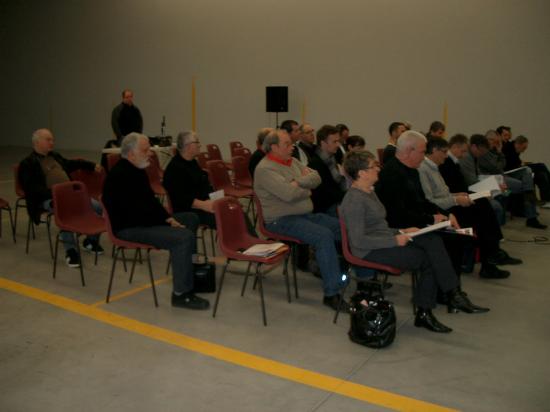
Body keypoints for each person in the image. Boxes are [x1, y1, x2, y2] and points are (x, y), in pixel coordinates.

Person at [341, 151, 488, 333]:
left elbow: (378, 227)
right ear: (361, 173)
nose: (378, 168)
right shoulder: (354, 200)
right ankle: (430, 309)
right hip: (369, 250)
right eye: (374, 166)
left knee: (431, 239)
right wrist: (394, 239)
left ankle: (451, 294)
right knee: (427, 259)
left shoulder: (369, 192)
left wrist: (402, 231)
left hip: (383, 240)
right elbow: (359, 240)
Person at [102, 133, 208, 309]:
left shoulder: (137, 170)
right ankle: (181, 294)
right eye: (146, 150)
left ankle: (190, 272)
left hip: (143, 220)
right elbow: (136, 212)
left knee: (191, 218)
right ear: (131, 154)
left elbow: (151, 203)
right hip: (129, 227)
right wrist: (167, 222)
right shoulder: (120, 176)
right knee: (183, 238)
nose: (150, 153)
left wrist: (167, 218)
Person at [253, 129, 347, 311]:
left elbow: (316, 178)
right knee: (324, 236)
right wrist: (304, 186)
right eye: (287, 144)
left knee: (343, 228)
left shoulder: (292, 161)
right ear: (273, 147)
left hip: (304, 215)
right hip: (280, 220)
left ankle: (338, 273)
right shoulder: (265, 169)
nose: (292, 147)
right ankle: (331, 293)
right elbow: (289, 194)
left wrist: (297, 183)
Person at [374, 131, 471, 287]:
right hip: (400, 226)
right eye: (422, 152)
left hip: (414, 219)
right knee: (450, 238)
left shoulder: (411, 169)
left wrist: (445, 214)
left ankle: (449, 290)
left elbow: (422, 201)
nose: (424, 156)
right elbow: (398, 214)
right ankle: (450, 291)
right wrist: (432, 219)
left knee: (458, 234)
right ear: (408, 151)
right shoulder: (392, 174)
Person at [419, 138, 520, 279]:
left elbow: (443, 193)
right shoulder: (424, 169)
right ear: (434, 151)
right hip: (443, 211)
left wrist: (457, 195)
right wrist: (455, 199)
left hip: (450, 205)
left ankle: (491, 254)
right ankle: (491, 255)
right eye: (443, 152)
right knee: (482, 212)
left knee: (482, 205)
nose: (446, 155)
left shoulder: (434, 167)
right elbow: (430, 201)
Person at [18, 128, 104, 268]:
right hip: (47, 198)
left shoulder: (55, 156)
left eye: (52, 139)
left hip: (69, 194)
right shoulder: (28, 164)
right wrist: (58, 194)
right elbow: (33, 190)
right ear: (37, 142)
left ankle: (90, 241)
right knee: (65, 210)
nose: (52, 142)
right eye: (48, 140)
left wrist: (92, 165)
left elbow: (71, 164)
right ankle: (71, 251)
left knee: (98, 206)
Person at [479, 130, 546, 229]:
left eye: (498, 142)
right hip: (491, 179)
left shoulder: (493, 151)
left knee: (527, 171)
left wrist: (499, 154)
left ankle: (531, 217)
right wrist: (500, 153)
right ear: (488, 140)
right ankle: (531, 216)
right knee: (525, 187)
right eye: (495, 142)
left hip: (500, 176)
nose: (497, 144)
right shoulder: (484, 151)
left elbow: (501, 166)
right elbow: (497, 167)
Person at [163, 131, 216, 228]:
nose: (200, 145)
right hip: (189, 211)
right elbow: (181, 199)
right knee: (227, 216)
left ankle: (251, 240)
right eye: (197, 142)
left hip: (203, 204)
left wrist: (212, 198)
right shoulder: (174, 169)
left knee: (235, 211)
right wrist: (204, 205)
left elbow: (203, 184)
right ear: (188, 146)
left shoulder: (192, 162)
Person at [502, 134, 550, 209]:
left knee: (541, 175)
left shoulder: (514, 149)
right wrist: (521, 164)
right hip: (510, 172)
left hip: (516, 169)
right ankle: (541, 199)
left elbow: (516, 162)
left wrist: (521, 163)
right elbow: (511, 164)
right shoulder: (508, 147)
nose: (524, 150)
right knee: (541, 166)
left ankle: (546, 200)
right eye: (524, 148)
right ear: (518, 144)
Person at [308, 125, 347, 216]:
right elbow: (326, 195)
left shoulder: (332, 159)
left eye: (338, 141)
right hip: (326, 208)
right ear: (323, 143)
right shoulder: (315, 164)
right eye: (335, 142)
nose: (338, 145)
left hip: (335, 201)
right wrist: (349, 194)